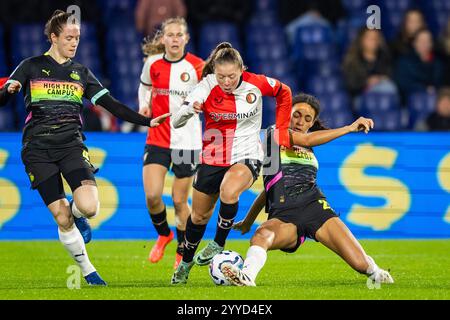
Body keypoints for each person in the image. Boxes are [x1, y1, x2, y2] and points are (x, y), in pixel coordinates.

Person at [0, 10, 169, 286]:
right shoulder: (29, 66)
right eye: (69, 37)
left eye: (77, 38)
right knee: (61, 217)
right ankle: (89, 272)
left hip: (71, 145)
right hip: (37, 149)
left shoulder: (81, 73)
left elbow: (111, 105)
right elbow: (2, 101)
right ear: (53, 37)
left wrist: (147, 121)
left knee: (88, 208)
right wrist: (7, 91)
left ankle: (78, 213)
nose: (74, 42)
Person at [220, 93, 394, 286]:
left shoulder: (310, 150)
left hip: (315, 208)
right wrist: (350, 127)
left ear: (311, 124)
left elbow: (307, 143)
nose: (300, 121)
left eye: (307, 118)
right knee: (261, 235)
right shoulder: (274, 134)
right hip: (284, 214)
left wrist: (247, 220)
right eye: (296, 115)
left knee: (361, 264)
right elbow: (269, 188)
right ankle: (247, 277)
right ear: (287, 114)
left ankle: (376, 272)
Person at [170, 42, 293, 284]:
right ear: (214, 71)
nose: (226, 81)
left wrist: (281, 129)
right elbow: (176, 121)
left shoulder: (256, 83)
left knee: (229, 190)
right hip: (213, 157)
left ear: (241, 70)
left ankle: (218, 242)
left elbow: (284, 91)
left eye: (232, 76)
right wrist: (188, 111)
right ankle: (185, 264)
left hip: (247, 155)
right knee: (198, 217)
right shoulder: (205, 86)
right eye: (221, 76)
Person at [138, 17, 204, 269]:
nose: (175, 39)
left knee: (179, 201)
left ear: (186, 39)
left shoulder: (198, 66)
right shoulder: (152, 64)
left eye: (179, 35)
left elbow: (210, 95)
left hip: (187, 143)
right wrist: (144, 104)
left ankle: (181, 249)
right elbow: (144, 87)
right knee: (153, 195)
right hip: (158, 138)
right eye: (170, 35)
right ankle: (163, 234)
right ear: (163, 38)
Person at [342, 28, 397, 98]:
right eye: (370, 38)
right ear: (362, 40)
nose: (373, 41)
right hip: (361, 97)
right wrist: (367, 82)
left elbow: (391, 76)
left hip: (384, 95)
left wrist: (380, 79)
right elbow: (351, 84)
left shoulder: (385, 58)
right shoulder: (353, 61)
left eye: (375, 38)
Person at [394, 28, 444, 102]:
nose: (424, 44)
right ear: (414, 43)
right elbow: (402, 82)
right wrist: (424, 88)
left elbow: (440, 83)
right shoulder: (404, 61)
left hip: (435, 98)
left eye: (427, 41)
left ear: (432, 44)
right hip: (409, 99)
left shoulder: (438, 62)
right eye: (421, 41)